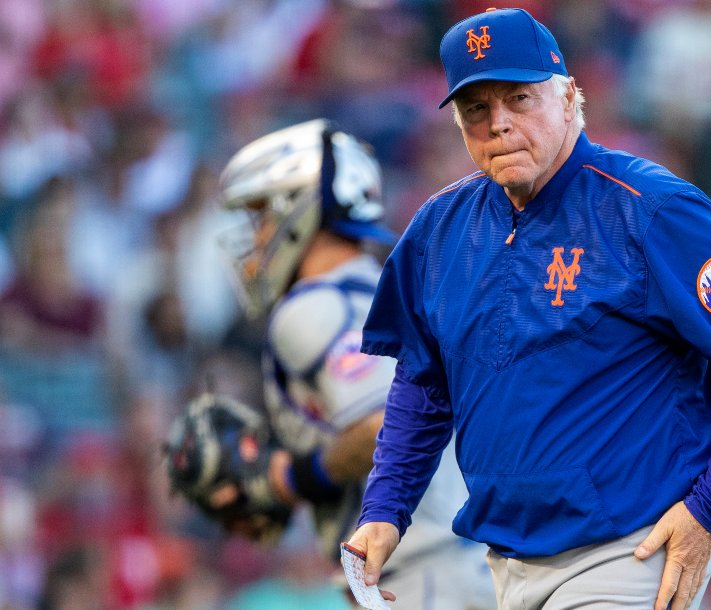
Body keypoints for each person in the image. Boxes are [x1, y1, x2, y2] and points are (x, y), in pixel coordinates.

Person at [347, 8, 711, 610]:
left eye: (519, 99)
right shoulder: (440, 228)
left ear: (568, 98)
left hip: (630, 550)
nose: (498, 123)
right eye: (476, 108)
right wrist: (385, 508)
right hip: (506, 561)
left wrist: (708, 510)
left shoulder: (647, 207)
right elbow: (423, 380)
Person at [164, 119, 494, 609]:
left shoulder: (313, 307)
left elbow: (387, 425)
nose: (255, 237)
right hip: (464, 563)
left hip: (419, 575)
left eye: (261, 216)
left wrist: (288, 478)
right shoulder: (387, 286)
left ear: (300, 209)